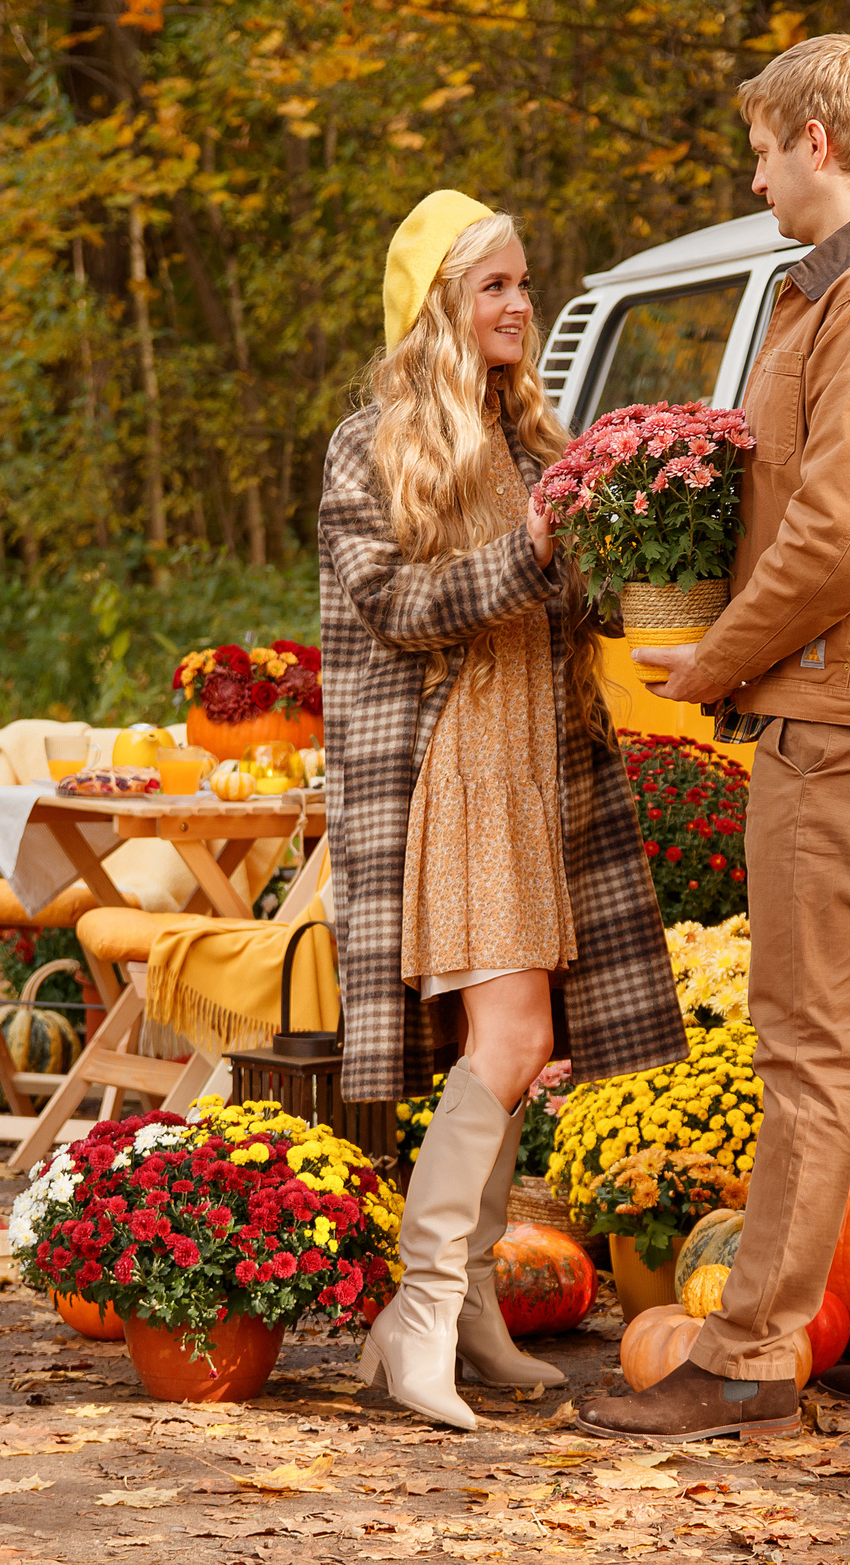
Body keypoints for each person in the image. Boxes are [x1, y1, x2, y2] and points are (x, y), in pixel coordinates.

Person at [579, 36, 850, 1443]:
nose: (754, 171)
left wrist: (715, 657)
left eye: (763, 146)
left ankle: (752, 1348)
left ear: (819, 139)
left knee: (808, 1050)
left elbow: (838, 535)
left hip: (838, 721)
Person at [320, 190, 685, 1431]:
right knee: (513, 1044)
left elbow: (584, 611)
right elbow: (392, 607)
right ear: (438, 308)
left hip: (543, 768)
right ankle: (417, 1316)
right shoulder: (372, 447)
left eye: (525, 282)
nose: (521, 302)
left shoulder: (538, 442)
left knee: (516, 1059)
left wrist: (660, 542)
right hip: (453, 773)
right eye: (494, 286)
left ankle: (465, 1310)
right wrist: (531, 546)